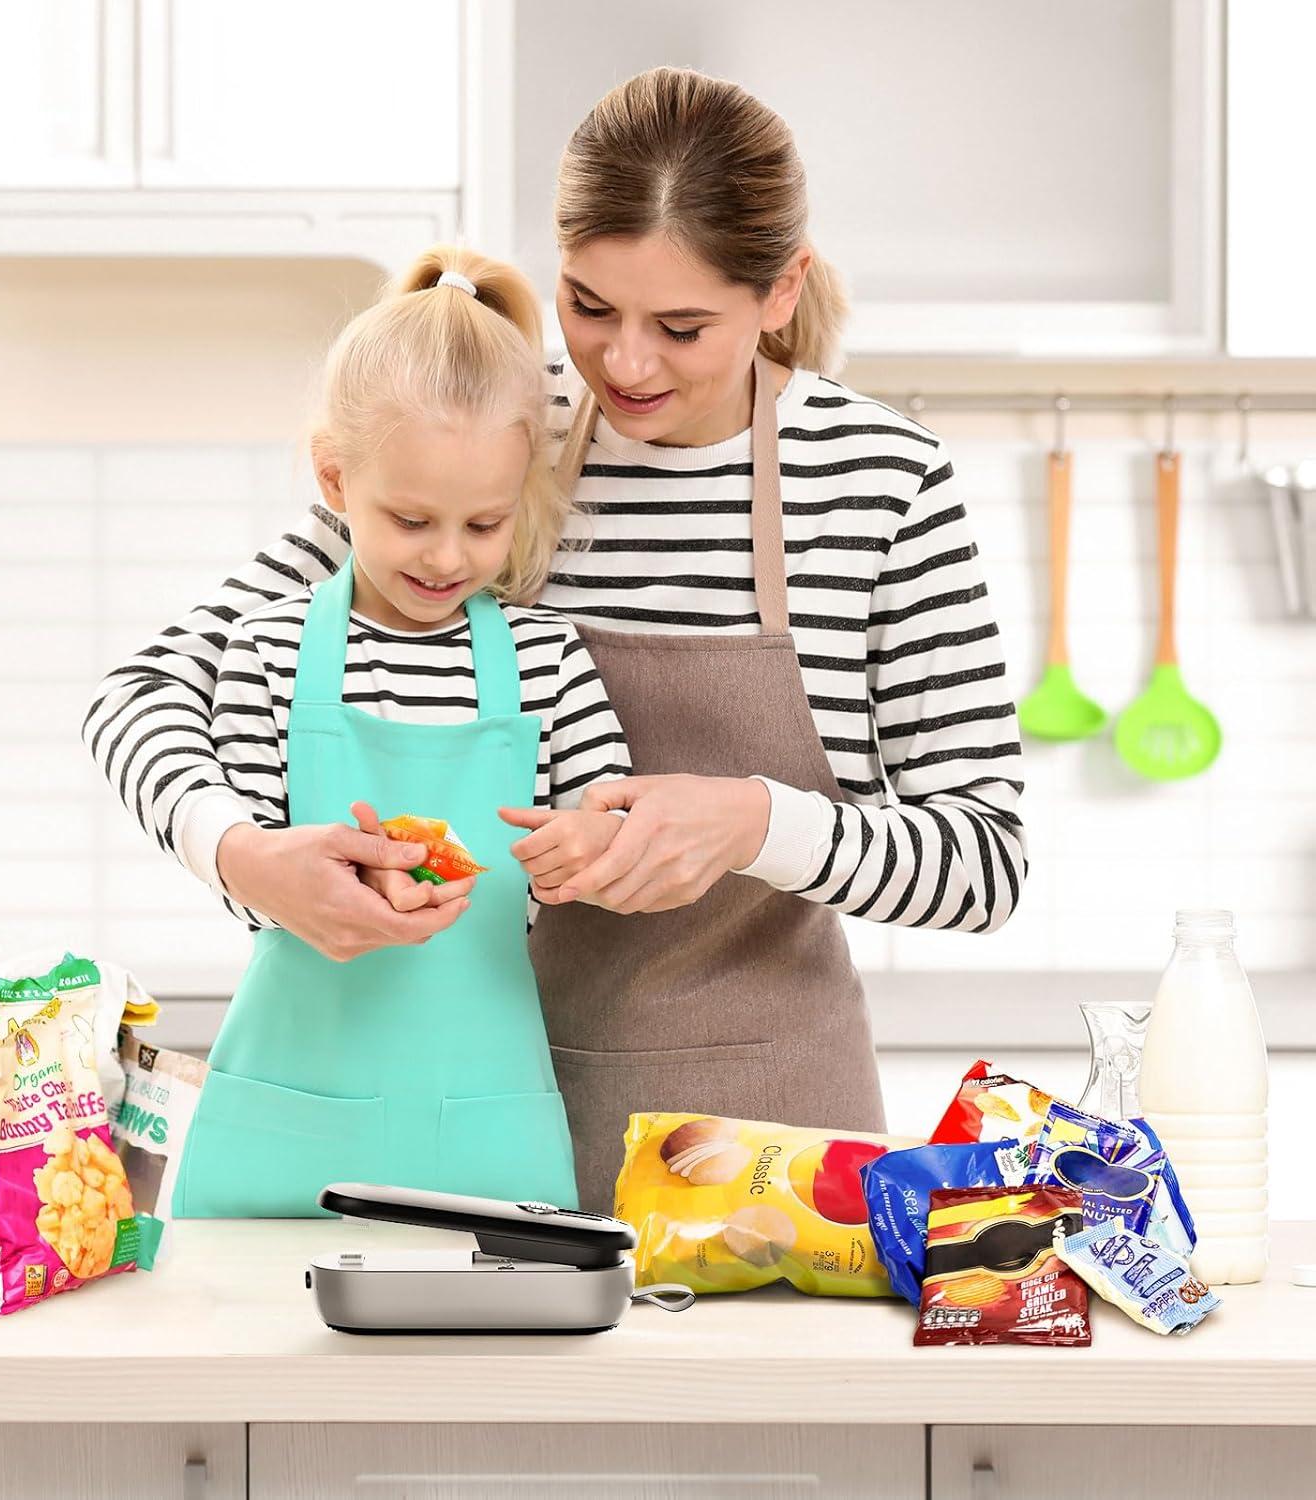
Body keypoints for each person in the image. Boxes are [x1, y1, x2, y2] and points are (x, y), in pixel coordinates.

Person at [85, 69, 1027, 1215]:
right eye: (589, 306)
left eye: (682, 327)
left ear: (781, 291)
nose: (623, 366)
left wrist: (751, 822)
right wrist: (243, 858)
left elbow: (984, 865)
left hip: (762, 1156)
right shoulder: (493, 440)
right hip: (466, 1132)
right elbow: (140, 694)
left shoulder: (877, 479)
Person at [168, 246, 630, 1217]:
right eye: (412, 518)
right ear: (335, 481)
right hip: (287, 1135)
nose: (448, 555)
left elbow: (606, 839)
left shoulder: (548, 661)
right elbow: (256, 885)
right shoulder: (269, 648)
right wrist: (317, 880)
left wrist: (585, 853)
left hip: (486, 1128)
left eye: (485, 522)